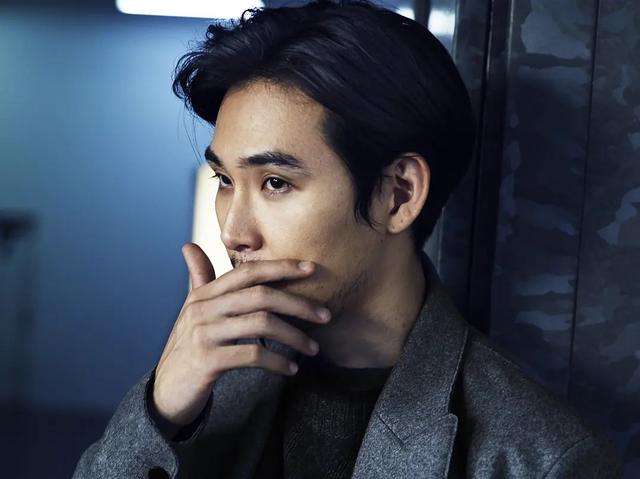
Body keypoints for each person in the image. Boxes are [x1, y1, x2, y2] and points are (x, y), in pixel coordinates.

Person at [72, 1, 623, 477]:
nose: (233, 233)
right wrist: (163, 412)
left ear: (397, 195)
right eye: (224, 180)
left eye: (275, 183)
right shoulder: (207, 386)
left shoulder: (537, 458)